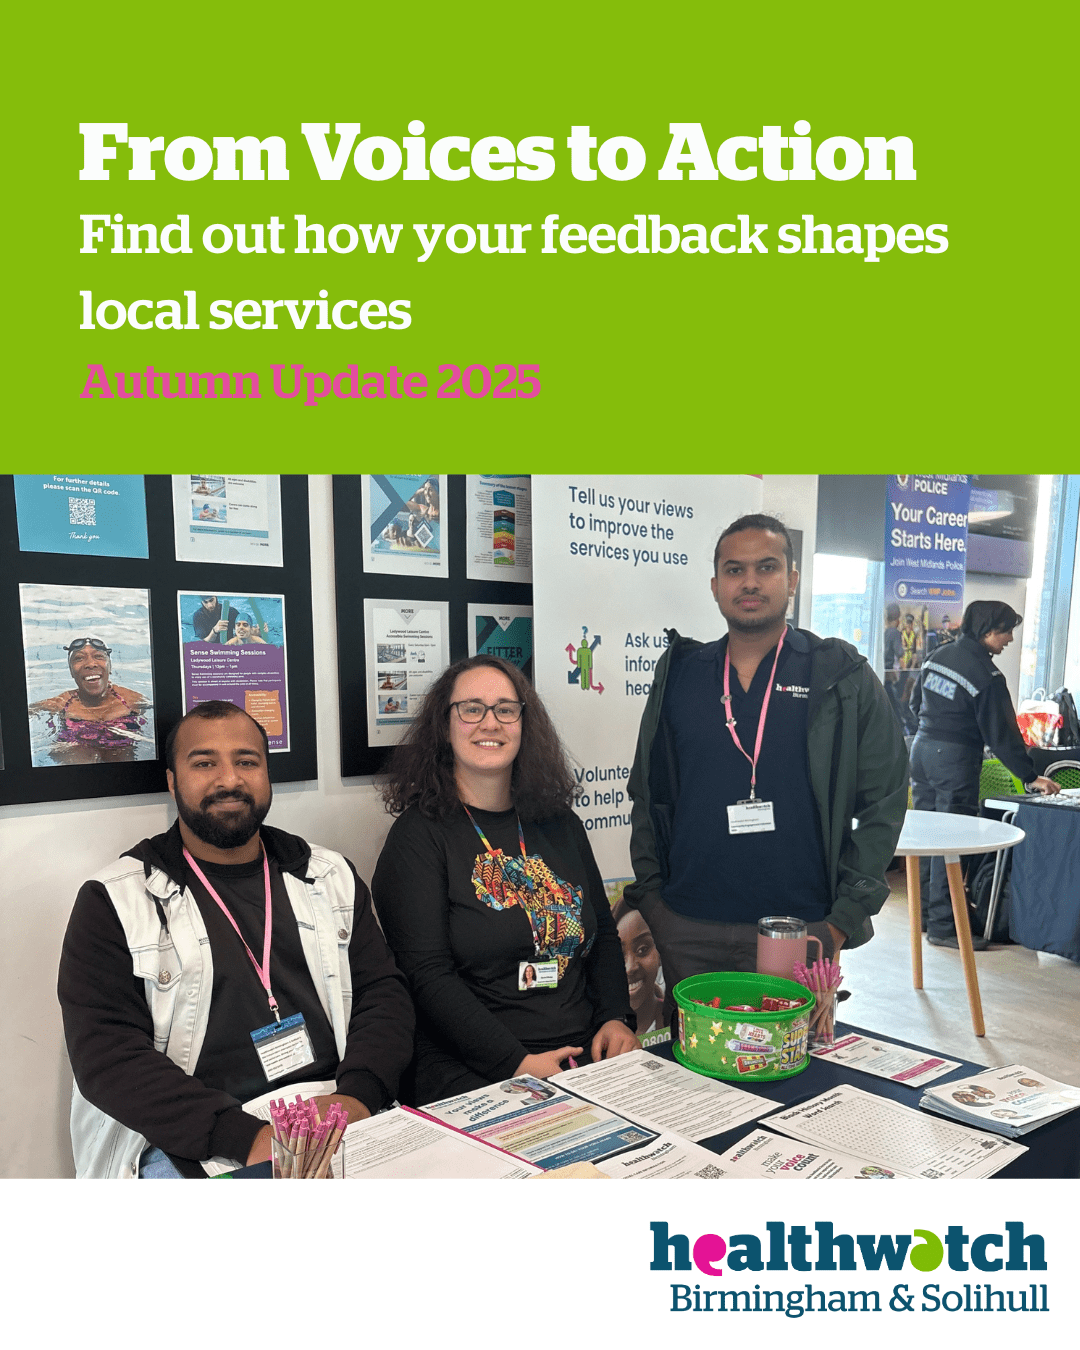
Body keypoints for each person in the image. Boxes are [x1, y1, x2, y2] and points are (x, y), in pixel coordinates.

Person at [58, 700, 414, 1178]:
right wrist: (247, 1139)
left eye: (247, 761)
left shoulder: (330, 875)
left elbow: (383, 994)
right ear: (172, 781)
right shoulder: (115, 900)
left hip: (333, 1109)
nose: (229, 779)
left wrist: (357, 1097)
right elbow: (107, 1056)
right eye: (204, 763)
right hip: (194, 1140)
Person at [623, 513, 908, 1019]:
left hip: (800, 928)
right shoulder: (681, 673)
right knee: (693, 1063)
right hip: (689, 924)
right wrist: (655, 905)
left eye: (767, 567)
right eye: (735, 570)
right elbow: (647, 793)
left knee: (796, 1062)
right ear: (715, 585)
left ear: (792, 580)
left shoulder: (838, 674)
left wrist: (840, 920)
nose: (750, 582)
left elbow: (885, 802)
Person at [372, 655, 637, 1106]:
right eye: (471, 709)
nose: (490, 723)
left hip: (585, 1052)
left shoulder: (560, 824)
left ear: (524, 723)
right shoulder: (418, 838)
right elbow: (427, 976)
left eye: (506, 710)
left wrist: (616, 1017)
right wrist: (517, 1063)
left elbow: (604, 937)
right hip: (478, 1068)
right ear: (445, 725)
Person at [909, 599, 1059, 949]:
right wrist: (1030, 776)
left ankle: (927, 916)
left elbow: (915, 704)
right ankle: (946, 927)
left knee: (928, 835)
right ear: (988, 631)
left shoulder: (936, 656)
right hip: (954, 760)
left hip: (922, 750)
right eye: (1006, 631)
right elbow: (1002, 735)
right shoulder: (986, 676)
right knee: (951, 841)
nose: (1009, 639)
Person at [29, 637, 151, 763]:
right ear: (71, 671)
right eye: (79, 658)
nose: (90, 664)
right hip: (75, 748)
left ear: (110, 666)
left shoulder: (132, 701)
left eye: (98, 656)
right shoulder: (61, 703)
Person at [611, 896, 665, 1042]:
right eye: (619, 954)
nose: (630, 967)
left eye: (643, 949)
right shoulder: (597, 1032)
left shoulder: (678, 1020)